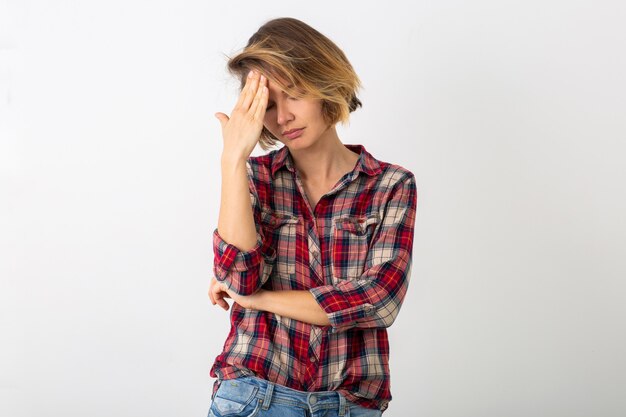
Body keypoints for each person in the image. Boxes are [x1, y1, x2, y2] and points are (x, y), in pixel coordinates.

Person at [207, 17, 417, 417]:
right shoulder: (256, 179)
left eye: (295, 94)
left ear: (326, 86)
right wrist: (233, 160)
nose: (282, 116)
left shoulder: (390, 184)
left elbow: (378, 302)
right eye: (268, 105)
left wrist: (260, 299)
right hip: (254, 396)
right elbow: (239, 277)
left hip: (351, 405)